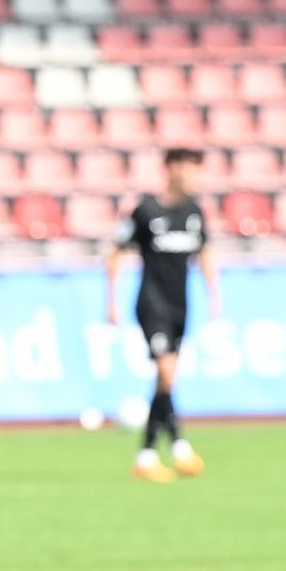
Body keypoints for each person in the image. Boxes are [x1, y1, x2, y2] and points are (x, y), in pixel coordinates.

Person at [107, 147, 219, 481]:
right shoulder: (145, 210)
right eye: (188, 168)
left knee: (166, 380)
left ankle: (146, 456)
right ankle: (180, 447)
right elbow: (116, 252)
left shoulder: (194, 212)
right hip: (151, 302)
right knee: (167, 374)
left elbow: (205, 252)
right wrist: (111, 299)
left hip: (180, 304)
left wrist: (214, 294)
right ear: (170, 169)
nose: (193, 176)